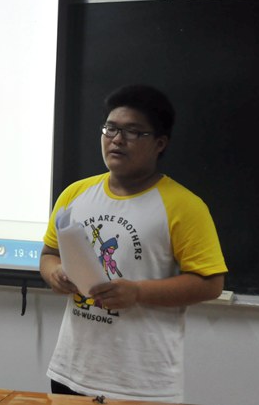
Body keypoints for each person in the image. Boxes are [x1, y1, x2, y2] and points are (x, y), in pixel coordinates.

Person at [40, 84, 227, 403]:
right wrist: (55, 273)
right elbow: (49, 254)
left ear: (159, 143)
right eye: (110, 128)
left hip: (141, 382)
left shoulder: (184, 206)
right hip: (70, 372)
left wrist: (138, 292)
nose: (117, 139)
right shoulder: (75, 194)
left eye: (132, 131)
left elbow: (210, 283)